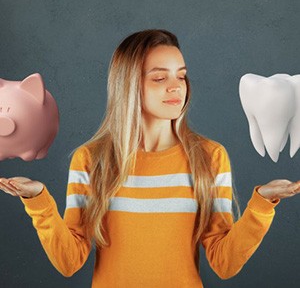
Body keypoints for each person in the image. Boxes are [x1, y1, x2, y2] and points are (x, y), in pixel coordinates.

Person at [0, 29, 300, 288]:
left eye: (181, 76)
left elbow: (225, 263)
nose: (176, 87)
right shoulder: (92, 160)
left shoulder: (210, 157)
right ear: (128, 84)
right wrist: (38, 200)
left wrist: (262, 203)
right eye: (159, 78)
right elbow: (68, 261)